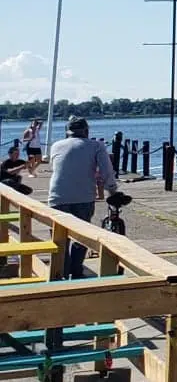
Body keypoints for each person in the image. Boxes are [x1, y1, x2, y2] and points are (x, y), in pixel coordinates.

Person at [45, 117, 117, 279]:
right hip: (83, 197)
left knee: (59, 239)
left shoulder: (56, 145)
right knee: (81, 237)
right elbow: (106, 171)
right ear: (86, 131)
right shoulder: (95, 145)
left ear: (67, 132)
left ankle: (60, 273)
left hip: (57, 196)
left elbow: (56, 166)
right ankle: (76, 271)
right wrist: (111, 190)